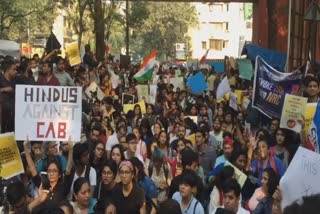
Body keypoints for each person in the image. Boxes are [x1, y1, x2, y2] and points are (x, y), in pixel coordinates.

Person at [0, 58, 17, 132]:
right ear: (7, 70)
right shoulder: (1, 80)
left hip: (13, 119)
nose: (16, 72)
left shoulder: (16, 81)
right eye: (14, 69)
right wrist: (3, 90)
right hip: (2, 119)